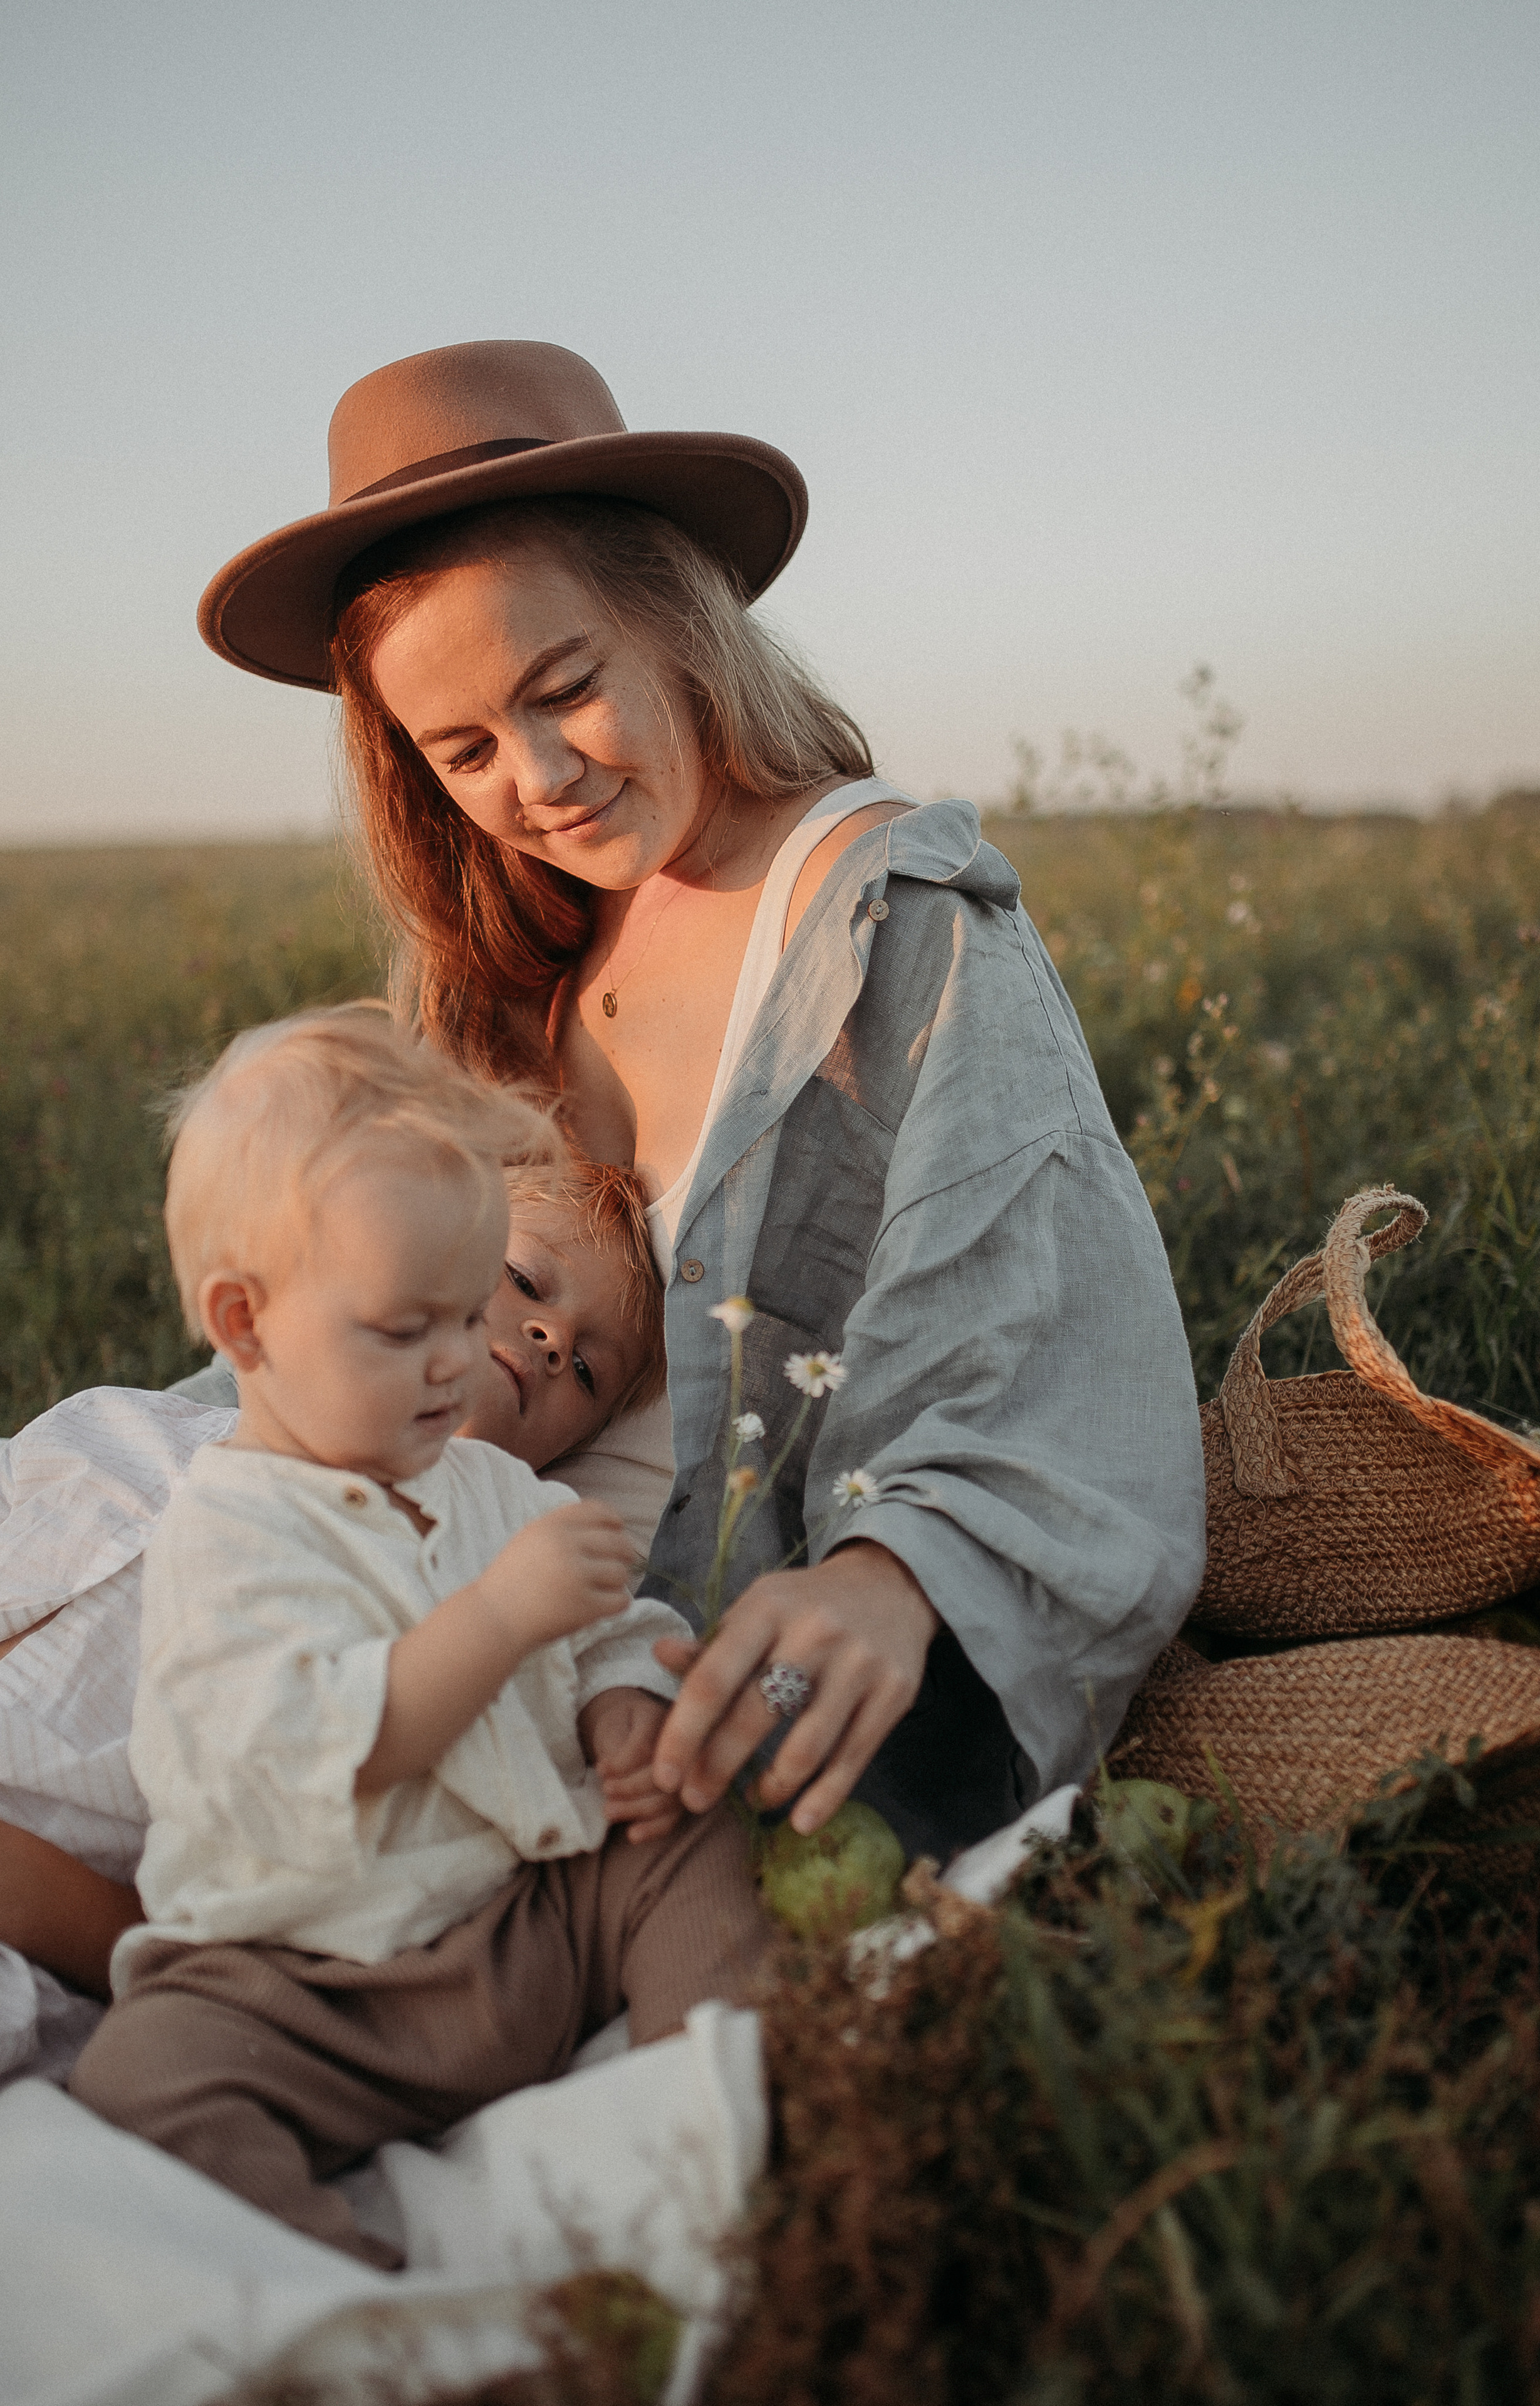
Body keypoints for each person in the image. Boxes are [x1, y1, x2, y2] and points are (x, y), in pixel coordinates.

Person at [191, 338, 1207, 1870]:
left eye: (565, 689)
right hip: (432, 1587)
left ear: (676, 616)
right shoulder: (496, 960)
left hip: (700, 1644)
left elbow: (1036, 1332)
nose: (536, 780)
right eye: (460, 750)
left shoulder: (883, 914)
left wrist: (889, 1576)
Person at [62, 1008, 766, 2262]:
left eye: (586, 1371)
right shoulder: (226, 1536)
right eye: (412, 1324)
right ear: (245, 1326)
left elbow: (608, 1625)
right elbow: (313, 1747)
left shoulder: (501, 1493)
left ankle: (702, 2114)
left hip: (518, 1921)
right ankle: (348, 2287)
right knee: (145, 2077)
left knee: (682, 1840)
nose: (468, 1358)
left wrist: (620, 1710)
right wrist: (499, 1617)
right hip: (311, 1985)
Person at [0, 1100, 679, 2068]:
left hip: (67, 1922)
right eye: (526, 1280)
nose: (544, 1339)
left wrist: (623, 1704)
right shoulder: (127, 1427)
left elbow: (600, 1644)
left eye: (583, 1371)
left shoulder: (450, 1595)